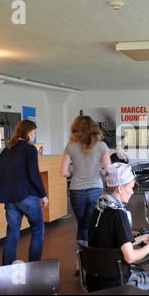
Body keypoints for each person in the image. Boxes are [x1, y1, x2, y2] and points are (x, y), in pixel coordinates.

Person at [87, 163, 149, 291]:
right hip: (116, 282)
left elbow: (118, 244)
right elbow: (130, 256)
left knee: (139, 269)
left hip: (95, 279)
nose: (132, 192)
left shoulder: (98, 209)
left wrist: (146, 237)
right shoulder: (119, 215)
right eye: (131, 188)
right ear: (120, 188)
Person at [0, 119, 48, 265]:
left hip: (10, 199)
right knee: (38, 229)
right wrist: (43, 195)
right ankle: (35, 266)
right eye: (34, 133)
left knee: (12, 235)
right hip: (27, 197)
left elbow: (1, 176)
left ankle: (7, 268)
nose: (35, 136)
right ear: (28, 132)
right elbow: (34, 175)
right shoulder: (30, 149)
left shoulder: (6, 151)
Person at [60, 116, 111, 273]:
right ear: (94, 128)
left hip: (76, 191)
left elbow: (63, 172)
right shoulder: (102, 146)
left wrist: (75, 170)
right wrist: (100, 171)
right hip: (95, 189)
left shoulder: (71, 146)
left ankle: (78, 262)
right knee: (94, 226)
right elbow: (109, 170)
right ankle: (94, 261)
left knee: (82, 226)